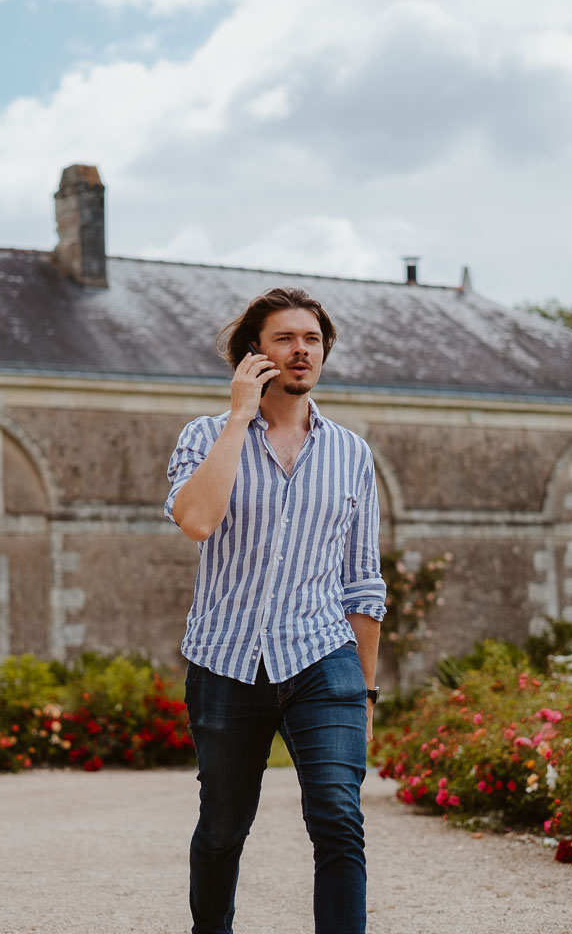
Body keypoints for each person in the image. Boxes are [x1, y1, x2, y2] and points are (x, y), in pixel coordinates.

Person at [165, 287, 386, 934]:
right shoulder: (204, 436)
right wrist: (238, 419)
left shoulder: (351, 454)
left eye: (311, 340)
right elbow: (199, 521)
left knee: (339, 817)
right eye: (285, 339)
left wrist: (366, 693)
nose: (301, 351)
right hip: (226, 661)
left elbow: (363, 582)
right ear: (254, 354)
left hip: (324, 658)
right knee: (222, 830)